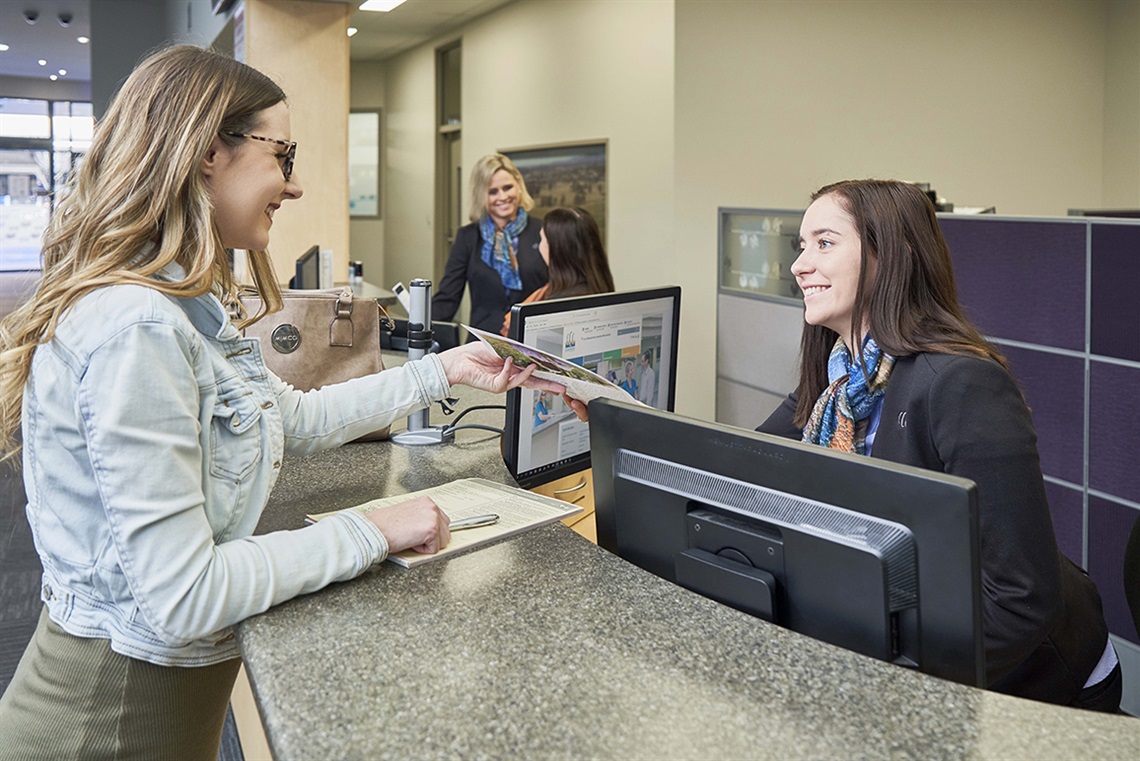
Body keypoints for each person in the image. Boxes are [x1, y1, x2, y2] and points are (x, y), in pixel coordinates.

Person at [0, 46, 566, 760]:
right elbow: (185, 593)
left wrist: (445, 369)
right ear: (209, 150)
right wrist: (374, 529)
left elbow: (291, 416)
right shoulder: (136, 326)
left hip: (153, 708)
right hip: (107, 718)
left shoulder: (183, 301)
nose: (293, 187)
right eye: (284, 155)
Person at [757, 179, 1119, 711]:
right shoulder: (837, 376)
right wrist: (620, 419)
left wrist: (884, 681)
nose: (800, 265)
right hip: (914, 630)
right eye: (801, 246)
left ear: (890, 256)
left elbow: (1021, 604)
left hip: (1031, 675)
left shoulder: (961, 383)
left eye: (825, 243)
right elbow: (743, 465)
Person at [433, 153, 547, 336]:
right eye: (493, 192)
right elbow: (447, 298)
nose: (502, 197)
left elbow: (559, 288)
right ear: (481, 195)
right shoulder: (467, 237)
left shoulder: (543, 231)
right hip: (483, 344)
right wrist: (420, 333)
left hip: (534, 342)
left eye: (508, 187)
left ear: (519, 185)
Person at [500, 206, 615, 336]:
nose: (540, 246)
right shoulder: (599, 287)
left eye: (542, 240)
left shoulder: (553, 310)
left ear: (556, 250)